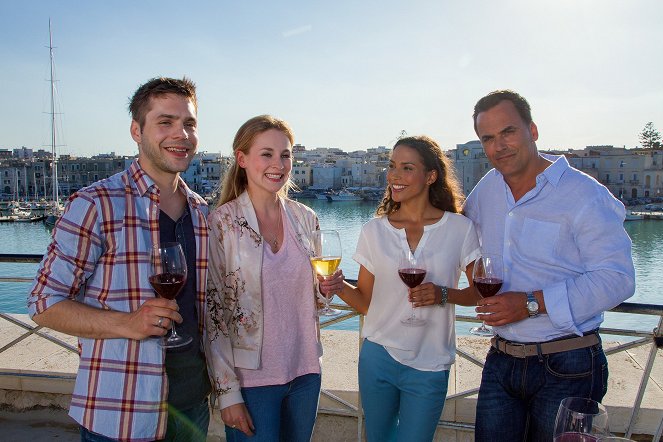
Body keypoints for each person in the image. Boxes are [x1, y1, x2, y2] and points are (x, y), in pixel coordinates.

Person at [28, 77, 211, 442]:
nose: (181, 134)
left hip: (192, 407)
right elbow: (43, 303)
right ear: (136, 130)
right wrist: (129, 323)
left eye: (189, 123)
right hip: (121, 410)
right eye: (165, 122)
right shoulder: (95, 204)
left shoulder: (202, 212)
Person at [464, 90, 636, 441]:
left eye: (508, 132)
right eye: (489, 138)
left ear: (533, 130)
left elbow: (617, 280)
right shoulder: (487, 189)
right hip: (501, 359)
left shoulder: (584, 194)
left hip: (568, 364)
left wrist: (531, 302)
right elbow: (460, 234)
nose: (499, 146)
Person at [323, 135, 481, 441]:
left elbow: (478, 292)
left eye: (407, 168)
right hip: (377, 357)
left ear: (430, 176)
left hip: (430, 361)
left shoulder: (460, 229)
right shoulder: (373, 230)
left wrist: (443, 294)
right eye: (392, 166)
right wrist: (339, 286)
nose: (394, 175)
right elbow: (367, 303)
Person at [205, 115, 323, 442]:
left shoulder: (306, 219)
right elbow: (213, 315)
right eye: (266, 154)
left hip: (306, 372)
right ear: (242, 159)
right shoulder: (223, 224)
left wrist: (325, 291)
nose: (278, 164)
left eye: (285, 155)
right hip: (250, 381)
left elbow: (312, 300)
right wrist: (228, 394)